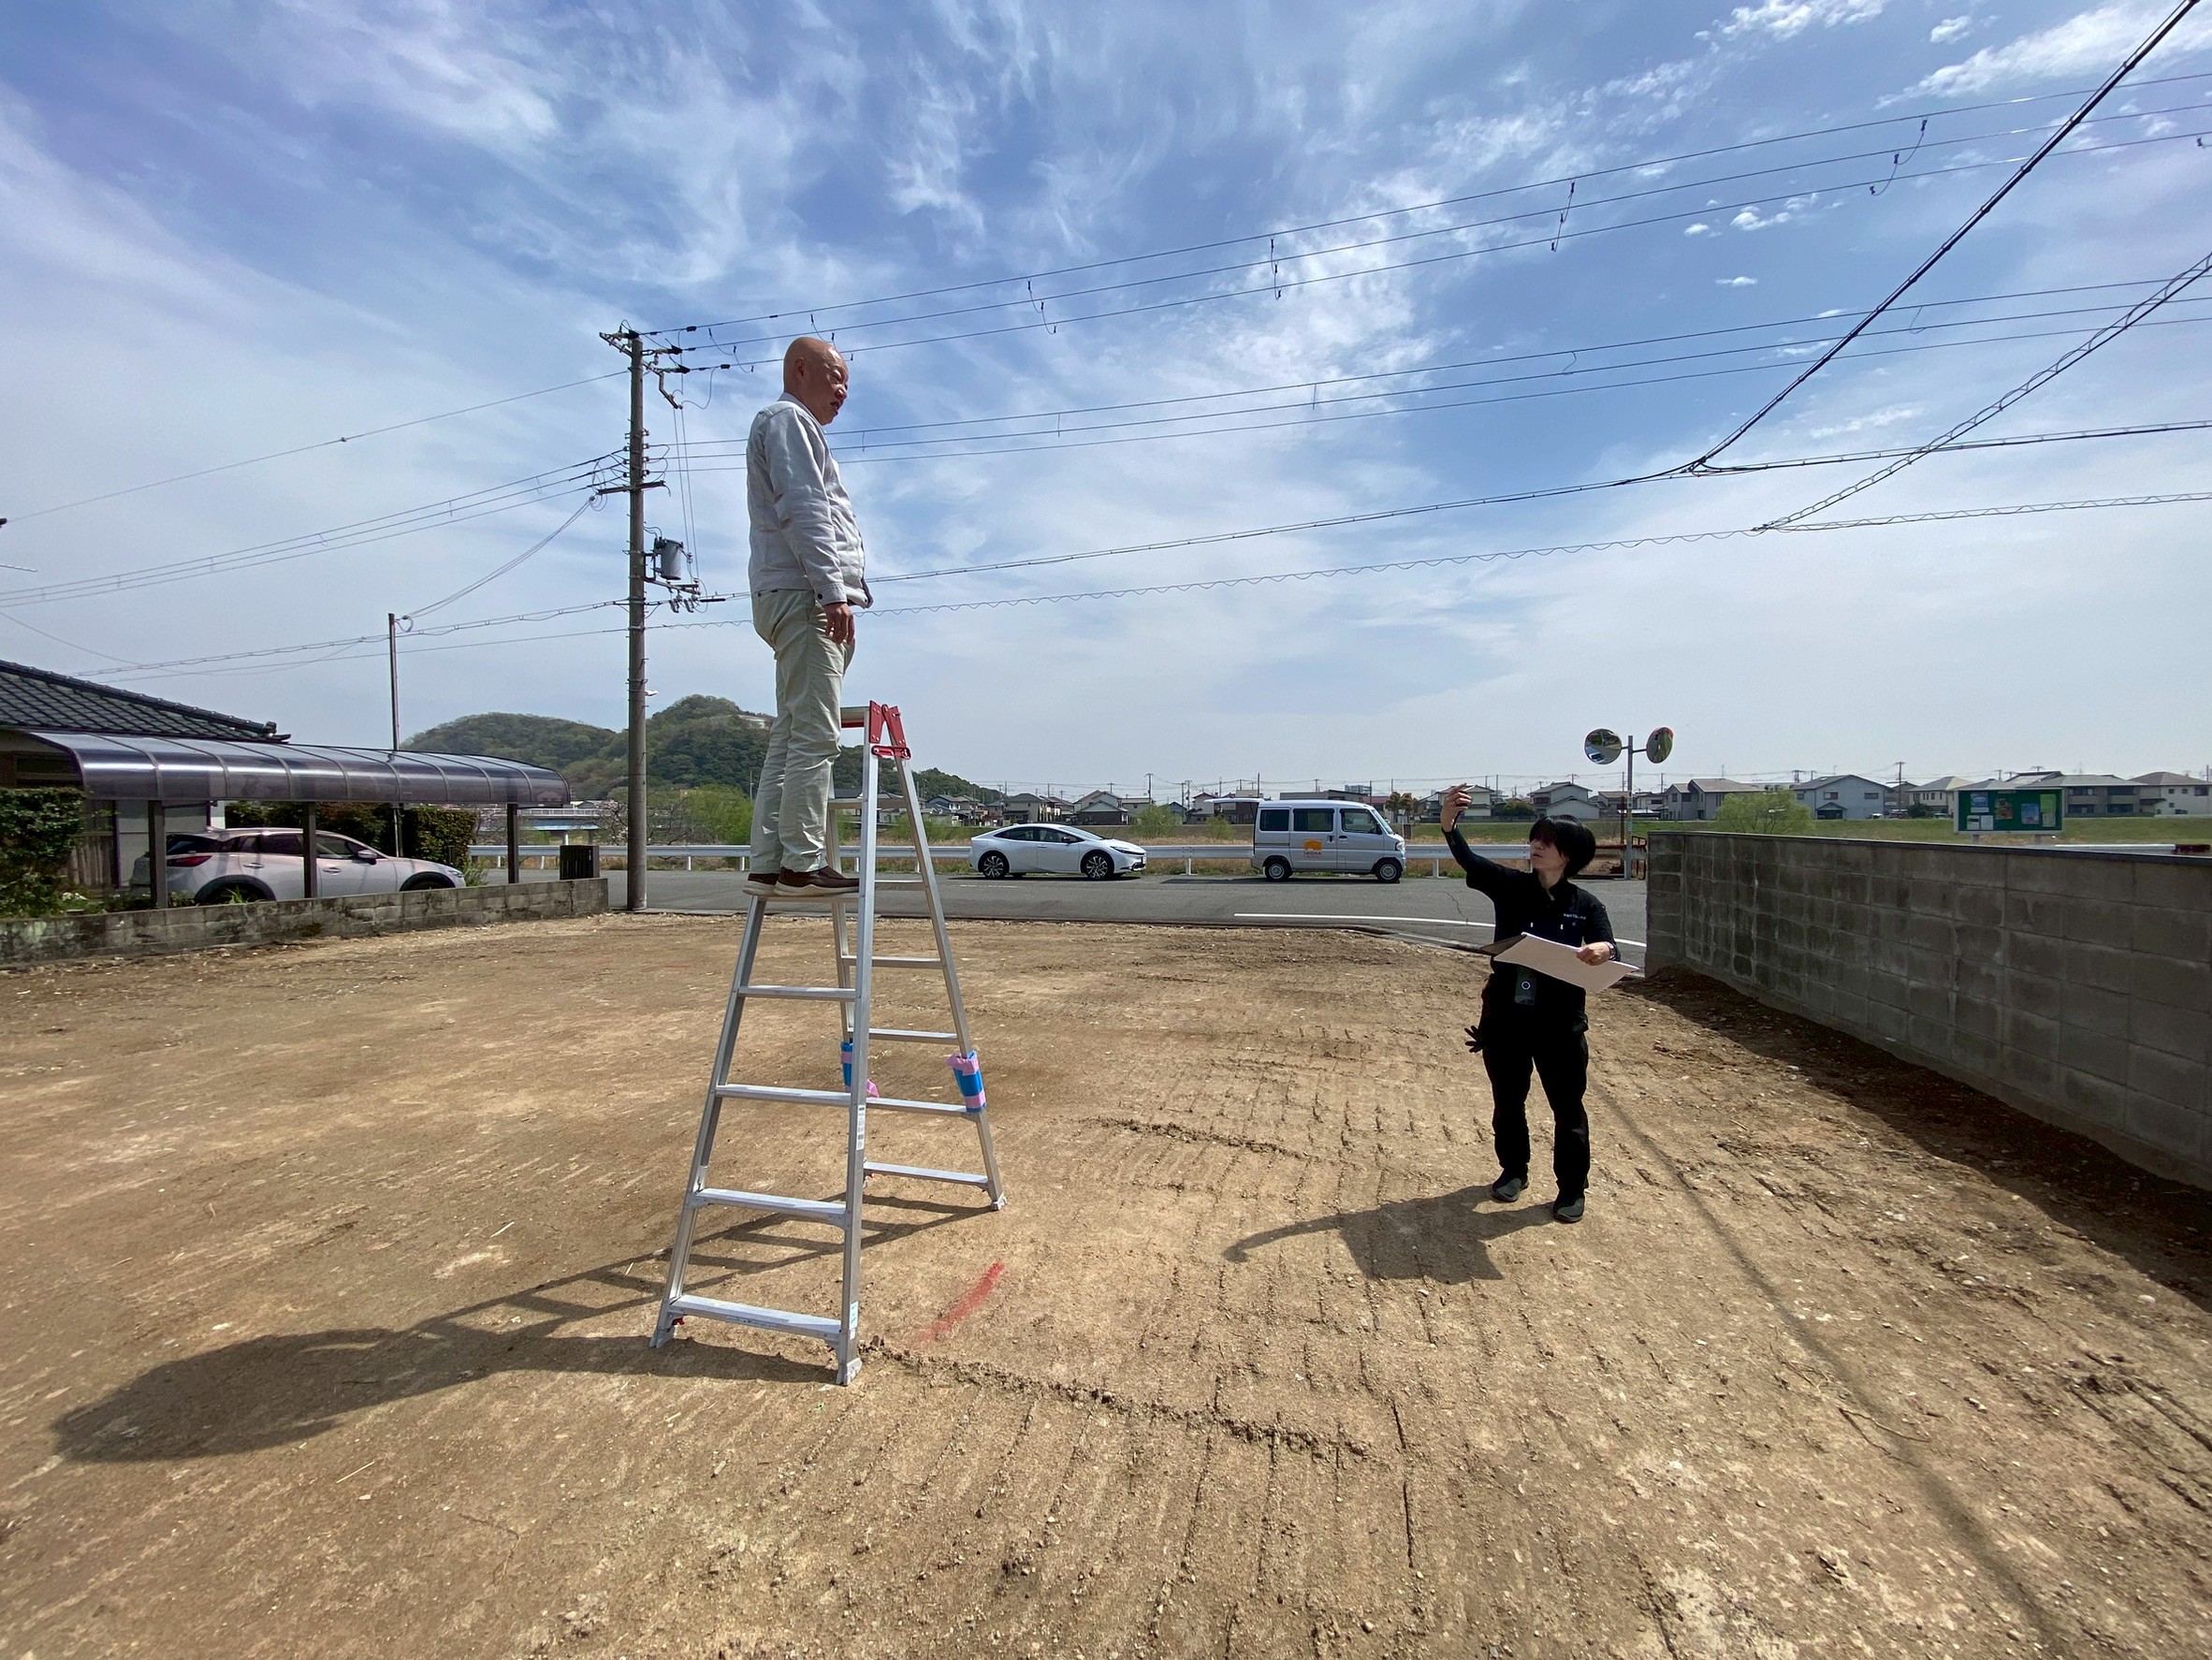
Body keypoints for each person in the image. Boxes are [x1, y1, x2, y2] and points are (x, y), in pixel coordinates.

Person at [1440, 786, 1617, 1223]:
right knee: (1508, 1099)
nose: (1536, 846)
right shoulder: (1512, 887)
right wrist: (1449, 824)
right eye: (1535, 839)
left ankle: (1572, 1189)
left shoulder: (1586, 903)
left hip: (1560, 1022)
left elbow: (1606, 942)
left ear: (1569, 855)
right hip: (1506, 1017)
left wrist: (1600, 950)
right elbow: (1469, 861)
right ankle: (1513, 1171)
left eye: (1548, 842)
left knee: (1568, 1107)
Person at [744, 337, 872, 896]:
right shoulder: (790, 421)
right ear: (800, 369)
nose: (842, 391)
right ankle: (801, 860)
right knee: (816, 737)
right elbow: (805, 508)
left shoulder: (785, 424)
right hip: (805, 596)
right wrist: (832, 591)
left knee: (792, 734)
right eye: (835, 376)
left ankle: (769, 860)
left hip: (787, 596)